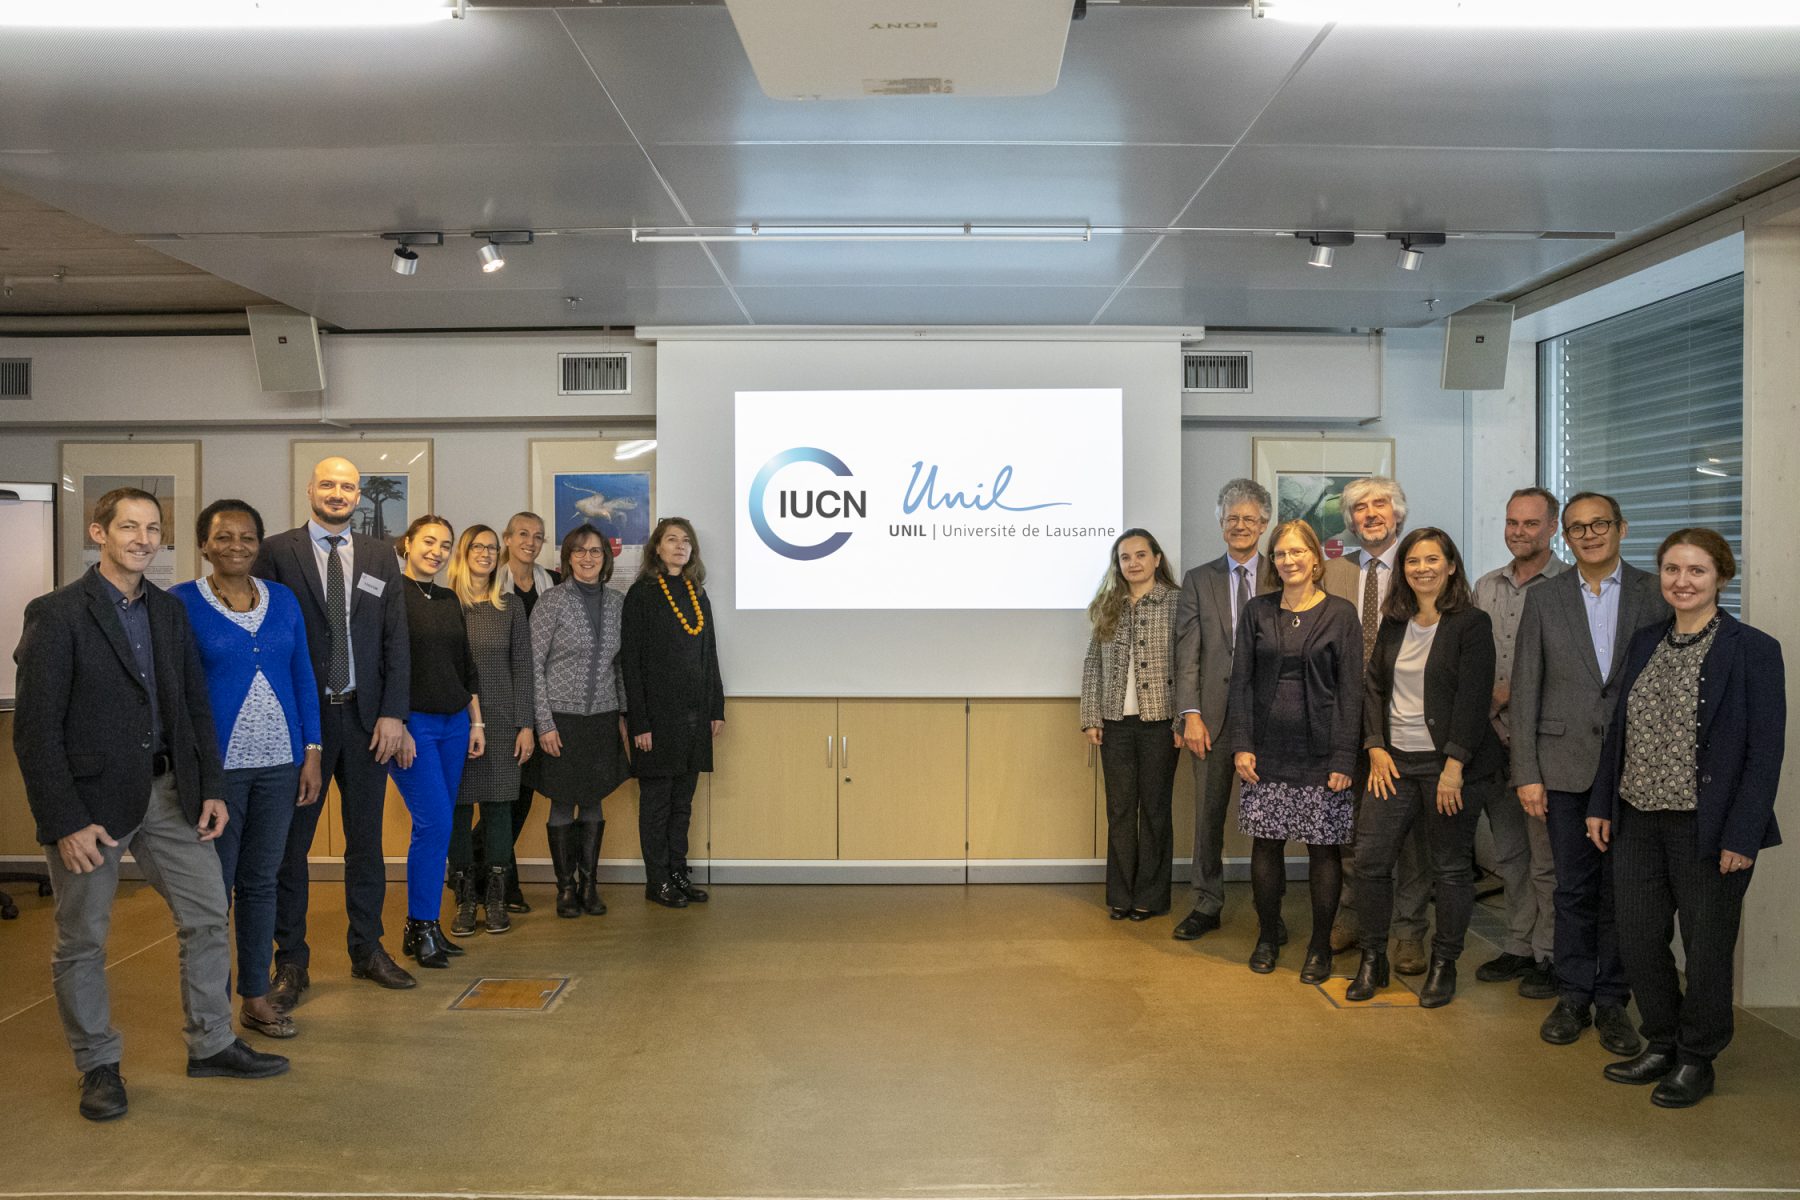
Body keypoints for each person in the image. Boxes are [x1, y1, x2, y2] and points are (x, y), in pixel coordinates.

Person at [14, 487, 288, 1121]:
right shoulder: (57, 613)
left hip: (169, 795)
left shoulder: (168, 611)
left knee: (207, 915)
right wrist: (65, 821)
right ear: (99, 533)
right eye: (129, 527)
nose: (142, 539)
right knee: (83, 938)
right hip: (90, 807)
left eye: (152, 529)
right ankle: (98, 1065)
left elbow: (193, 707)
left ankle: (211, 1043)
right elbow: (35, 731)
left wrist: (211, 788)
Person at [1587, 529, 1784, 1108]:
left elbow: (1765, 751)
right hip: (1637, 819)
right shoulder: (1646, 640)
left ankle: (1698, 1058)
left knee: (1706, 950)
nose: (1682, 581)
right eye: (1672, 569)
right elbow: (1619, 732)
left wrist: (1743, 835)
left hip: (1710, 828)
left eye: (1696, 570)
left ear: (1721, 576)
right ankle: (1662, 1041)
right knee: (1639, 940)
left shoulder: (1753, 649)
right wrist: (1601, 803)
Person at [1511, 491, 1668, 1055]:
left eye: (1600, 524)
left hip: (1637, 769)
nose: (1589, 535)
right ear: (1565, 536)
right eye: (1577, 527)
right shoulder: (1545, 597)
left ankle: (1613, 1000)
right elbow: (1525, 687)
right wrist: (1526, 771)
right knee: (1573, 888)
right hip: (1564, 769)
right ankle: (1573, 993)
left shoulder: (1656, 592)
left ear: (1622, 529)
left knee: (1624, 892)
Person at [253, 456, 414, 1003]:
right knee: (291, 848)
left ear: (358, 494)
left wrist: (394, 713)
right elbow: (268, 639)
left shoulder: (379, 554)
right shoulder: (277, 552)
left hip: (368, 723)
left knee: (366, 845)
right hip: (306, 725)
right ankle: (291, 962)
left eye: (347, 486)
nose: (338, 493)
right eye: (328, 484)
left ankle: (367, 949)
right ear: (310, 490)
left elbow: (395, 638)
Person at [172, 500, 323, 1040]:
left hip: (281, 766)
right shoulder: (181, 602)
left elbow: (303, 675)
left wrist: (312, 750)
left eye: (247, 537)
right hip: (219, 775)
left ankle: (255, 996)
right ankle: (210, 1015)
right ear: (204, 544)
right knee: (213, 894)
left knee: (261, 883)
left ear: (260, 544)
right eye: (223, 537)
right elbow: (177, 691)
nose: (236, 545)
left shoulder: (282, 599)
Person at [1348, 528, 1502, 1008]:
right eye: (1413, 561)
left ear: (1451, 566)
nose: (1422, 569)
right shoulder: (1395, 622)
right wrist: (1375, 746)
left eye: (1432, 559)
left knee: (1451, 868)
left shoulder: (1471, 624)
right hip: (1392, 764)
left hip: (1447, 767)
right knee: (1371, 861)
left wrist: (1454, 767)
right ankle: (1372, 959)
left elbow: (1474, 699)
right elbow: (1374, 687)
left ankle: (1444, 963)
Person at [1223, 519, 1363, 982]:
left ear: (1315, 558)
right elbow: (1241, 683)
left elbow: (1351, 691)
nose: (1289, 561)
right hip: (1265, 754)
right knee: (1266, 846)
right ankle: (1267, 935)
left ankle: (1320, 947)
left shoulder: (1341, 614)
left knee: (1323, 852)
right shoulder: (1257, 612)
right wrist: (1242, 745)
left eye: (1297, 552)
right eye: (1281, 553)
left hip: (1322, 756)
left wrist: (1344, 757)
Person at [1321, 476, 1432, 973]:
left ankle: (1409, 933)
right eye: (1360, 507)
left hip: (1405, 720)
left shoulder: (1421, 566)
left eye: (1380, 504)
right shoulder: (1334, 572)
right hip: (1344, 717)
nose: (1370, 514)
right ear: (1350, 520)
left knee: (1410, 838)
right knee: (1350, 828)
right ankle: (1353, 916)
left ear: (1398, 513)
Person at [1471, 487, 1565, 999]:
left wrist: (1506, 693)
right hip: (1493, 743)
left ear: (1552, 527)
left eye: (1531, 523)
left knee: (1547, 860)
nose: (1519, 532)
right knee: (1510, 855)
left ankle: (1551, 954)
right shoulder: (1486, 586)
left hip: (1543, 746)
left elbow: (1571, 670)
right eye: (1512, 522)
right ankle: (1519, 945)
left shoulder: (1568, 587)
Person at [1172, 479, 1277, 941]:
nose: (1240, 525)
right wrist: (1190, 714)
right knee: (1208, 817)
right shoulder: (1199, 579)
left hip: (1270, 719)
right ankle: (1206, 903)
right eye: (1232, 518)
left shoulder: (1282, 573)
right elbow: (1187, 653)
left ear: (1264, 524)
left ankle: (1269, 910)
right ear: (1220, 523)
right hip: (1211, 719)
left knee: (1269, 818)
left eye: (1249, 518)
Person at [390, 515, 484, 968]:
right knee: (435, 824)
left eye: (445, 545)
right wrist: (399, 723)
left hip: (455, 725)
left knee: (439, 826)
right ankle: (422, 925)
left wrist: (477, 723)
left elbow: (466, 666)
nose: (437, 551)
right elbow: (382, 665)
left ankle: (423, 927)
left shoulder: (448, 598)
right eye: (428, 541)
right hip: (414, 728)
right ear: (408, 544)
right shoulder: (390, 596)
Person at [622, 517, 725, 909]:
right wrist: (639, 722)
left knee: (683, 803)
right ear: (657, 548)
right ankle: (658, 880)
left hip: (694, 717)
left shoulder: (698, 594)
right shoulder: (642, 594)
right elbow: (631, 664)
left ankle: (678, 873)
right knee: (657, 805)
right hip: (656, 720)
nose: (680, 546)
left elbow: (709, 655)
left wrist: (716, 707)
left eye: (686, 541)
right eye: (671, 539)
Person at [529, 525, 631, 918]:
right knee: (561, 803)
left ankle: (590, 886)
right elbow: (533, 666)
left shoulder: (618, 603)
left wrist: (622, 714)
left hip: (601, 719)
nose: (588, 558)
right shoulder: (552, 601)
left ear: (606, 558)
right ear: (568, 557)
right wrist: (544, 723)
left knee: (593, 801)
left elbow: (619, 666)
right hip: (561, 720)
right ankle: (566, 889)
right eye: (579, 551)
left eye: (595, 551)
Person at [1081, 528, 1182, 921]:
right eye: (1125, 557)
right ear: (1118, 564)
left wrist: (1183, 719)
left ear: (1156, 559)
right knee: (1120, 810)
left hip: (1161, 722)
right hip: (1115, 724)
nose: (1133, 563)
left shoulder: (1176, 602)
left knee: (1155, 810)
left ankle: (1150, 897)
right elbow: (1093, 662)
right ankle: (1121, 895)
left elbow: (1189, 663)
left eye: (1141, 555)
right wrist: (1091, 716)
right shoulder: (1108, 604)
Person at [447, 525, 534, 938]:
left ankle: (495, 898)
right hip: (456, 721)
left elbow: (524, 667)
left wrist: (525, 724)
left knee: (499, 809)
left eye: (491, 548)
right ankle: (465, 898)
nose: (485, 553)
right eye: (477, 547)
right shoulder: (447, 603)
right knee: (459, 810)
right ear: (463, 553)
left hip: (502, 722)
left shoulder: (510, 605)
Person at [479, 510, 562, 913]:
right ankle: (500, 882)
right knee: (501, 800)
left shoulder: (553, 583)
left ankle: (477, 872)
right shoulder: (490, 584)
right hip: (499, 702)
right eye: (523, 534)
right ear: (507, 539)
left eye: (538, 536)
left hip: (538, 702)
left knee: (521, 798)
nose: (531, 542)